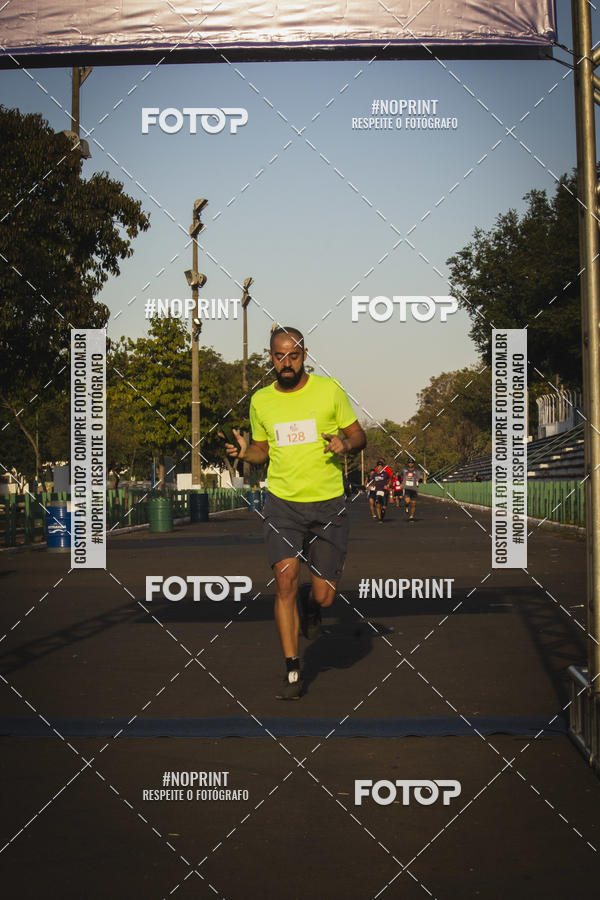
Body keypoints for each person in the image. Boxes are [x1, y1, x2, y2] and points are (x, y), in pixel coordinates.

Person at [224, 326, 366, 699]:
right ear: (269, 357)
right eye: (279, 356)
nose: (286, 363)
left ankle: (312, 604)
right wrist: (244, 455)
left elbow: (359, 436)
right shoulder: (261, 401)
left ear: (305, 355)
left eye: (294, 355)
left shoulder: (329, 390)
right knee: (284, 581)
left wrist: (344, 444)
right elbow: (261, 450)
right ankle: (292, 670)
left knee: (325, 597)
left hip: (328, 503)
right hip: (282, 504)